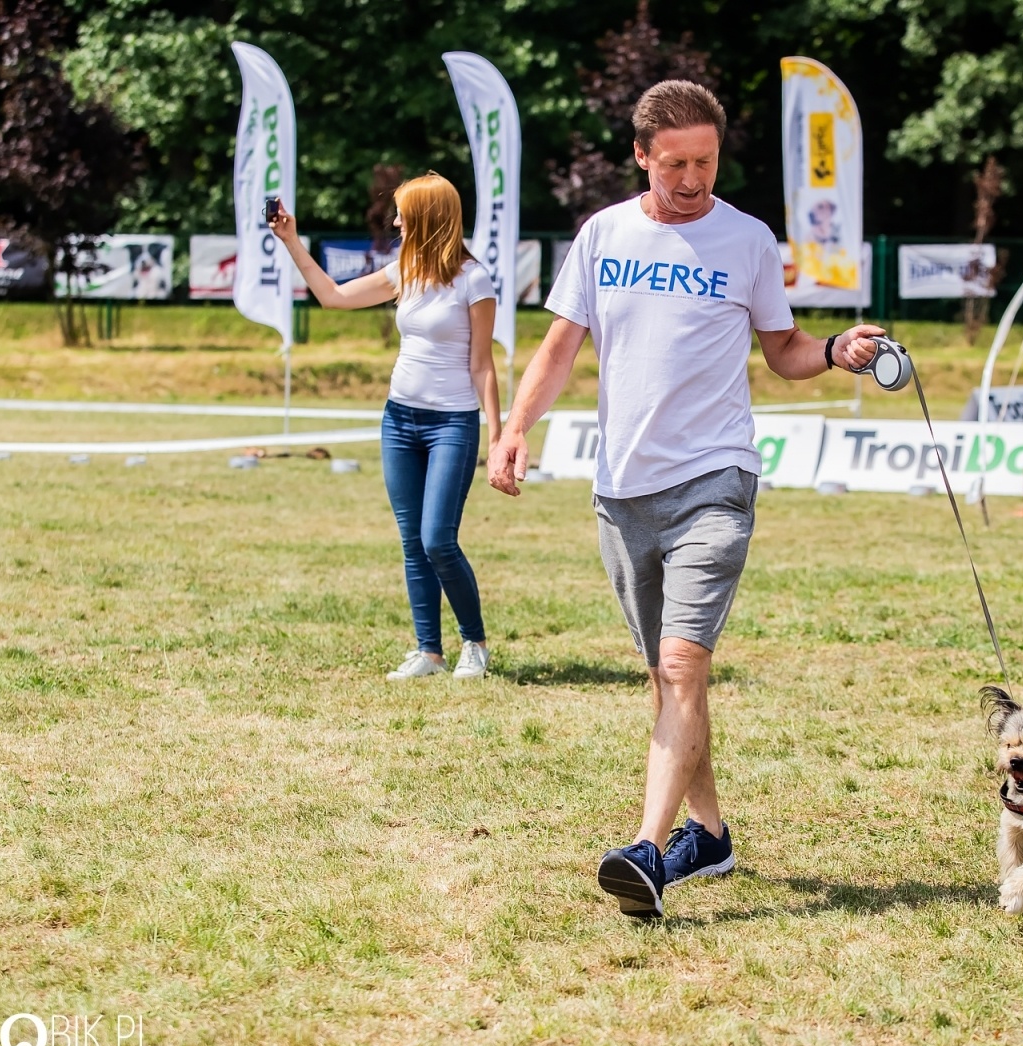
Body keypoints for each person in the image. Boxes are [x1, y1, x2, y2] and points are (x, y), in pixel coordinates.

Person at [488, 80, 884, 918]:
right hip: (621, 488)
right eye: (676, 163)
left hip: (716, 477)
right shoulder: (604, 234)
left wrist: (838, 350)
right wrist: (516, 425)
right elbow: (561, 345)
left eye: (705, 161)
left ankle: (647, 852)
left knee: (681, 665)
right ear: (642, 155)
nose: (693, 178)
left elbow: (781, 349)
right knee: (665, 682)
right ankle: (709, 834)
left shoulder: (745, 239)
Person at [271, 173, 500, 681]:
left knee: (438, 538)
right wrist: (291, 240)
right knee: (412, 541)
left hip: (451, 425)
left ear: (427, 217)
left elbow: (483, 365)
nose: (395, 221)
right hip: (398, 420)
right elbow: (332, 296)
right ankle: (429, 652)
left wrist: (501, 435)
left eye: (402, 213)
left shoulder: (474, 280)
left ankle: (475, 644)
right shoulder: (404, 269)